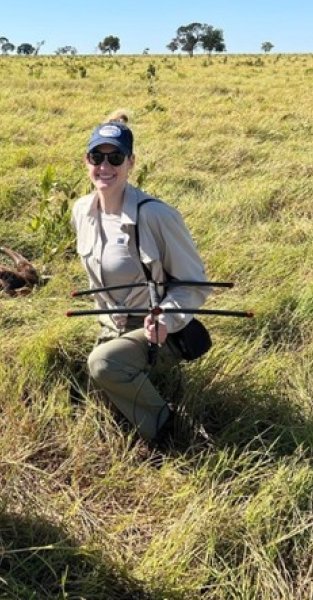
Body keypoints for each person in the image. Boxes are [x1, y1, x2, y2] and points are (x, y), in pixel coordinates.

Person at [70, 111, 210, 442]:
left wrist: (166, 318)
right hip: (111, 325)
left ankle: (173, 431)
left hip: (159, 330)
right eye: (97, 157)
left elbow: (195, 285)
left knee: (104, 365)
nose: (105, 167)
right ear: (86, 161)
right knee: (86, 392)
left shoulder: (156, 216)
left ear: (131, 162)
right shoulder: (81, 211)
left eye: (115, 157)